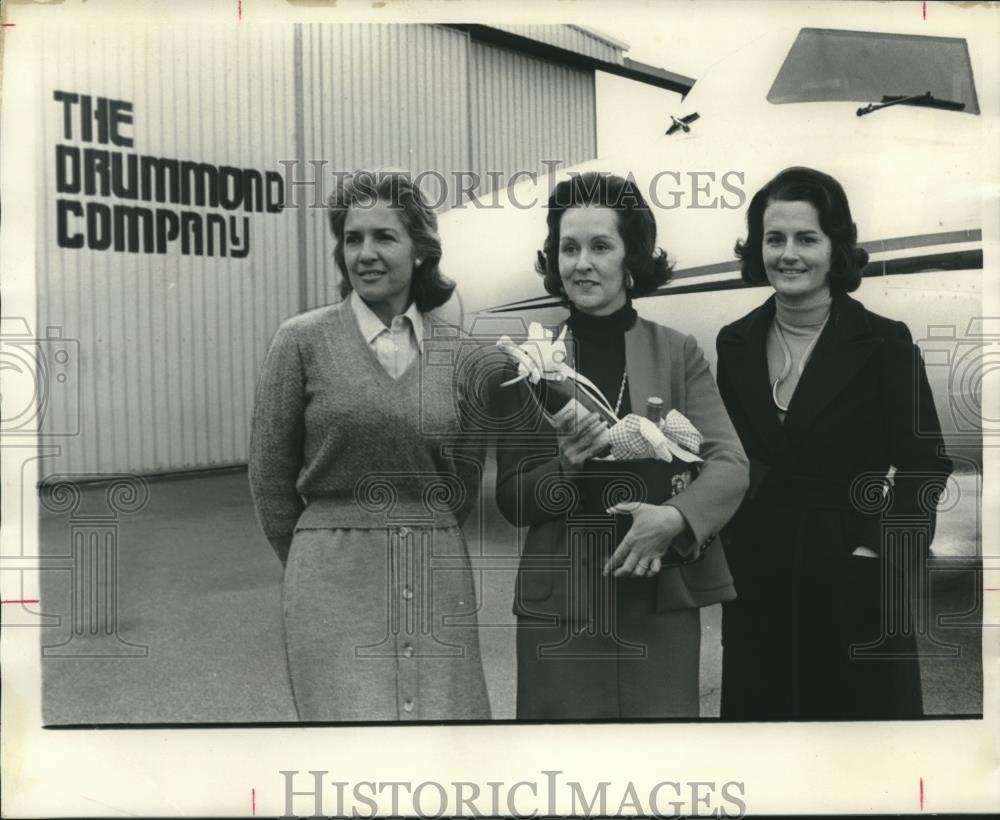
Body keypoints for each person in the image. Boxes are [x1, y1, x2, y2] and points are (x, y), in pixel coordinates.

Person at [492, 172, 749, 719]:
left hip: (656, 597)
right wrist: (566, 465)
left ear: (632, 256)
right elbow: (513, 501)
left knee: (658, 775)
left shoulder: (679, 352)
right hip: (559, 605)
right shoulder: (528, 363)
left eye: (600, 246)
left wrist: (676, 518)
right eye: (568, 248)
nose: (582, 263)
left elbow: (729, 463)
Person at [249, 170, 490, 722]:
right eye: (352, 238)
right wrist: (318, 553)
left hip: (436, 568)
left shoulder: (462, 355)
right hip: (330, 577)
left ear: (421, 250)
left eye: (385, 236)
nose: (365, 253)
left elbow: (464, 481)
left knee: (442, 732)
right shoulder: (300, 341)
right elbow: (269, 475)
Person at [716, 166, 952, 720]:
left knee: (859, 757)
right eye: (775, 239)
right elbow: (725, 456)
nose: (789, 254)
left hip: (856, 573)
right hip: (759, 577)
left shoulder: (884, 342)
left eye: (807, 238)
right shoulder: (736, 342)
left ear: (835, 247)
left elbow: (925, 465)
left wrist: (879, 555)